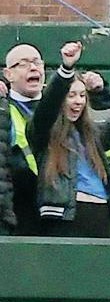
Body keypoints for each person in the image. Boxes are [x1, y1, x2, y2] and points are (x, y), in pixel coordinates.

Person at [28, 42, 110, 238]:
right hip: (65, 218)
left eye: (82, 96)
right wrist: (67, 68)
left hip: (101, 216)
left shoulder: (93, 133)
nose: (78, 101)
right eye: (71, 96)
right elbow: (48, 104)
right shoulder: (43, 131)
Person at [5, 43, 47, 234]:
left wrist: (101, 98)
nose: (33, 67)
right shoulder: (3, 108)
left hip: (60, 205)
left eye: (37, 62)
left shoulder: (66, 105)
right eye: (23, 64)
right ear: (9, 74)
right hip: (17, 205)